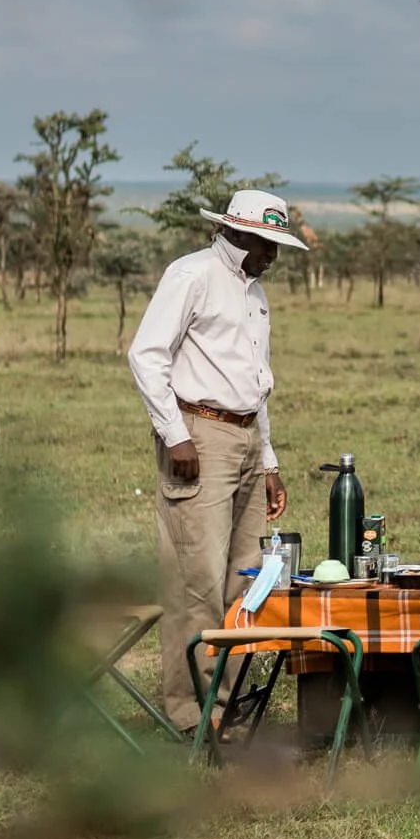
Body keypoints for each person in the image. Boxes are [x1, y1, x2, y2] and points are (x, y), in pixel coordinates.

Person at [127, 188, 306, 731]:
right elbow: (146, 354)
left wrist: (268, 462)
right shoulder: (192, 275)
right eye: (268, 244)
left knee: (244, 580)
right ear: (240, 234)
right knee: (196, 580)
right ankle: (191, 715)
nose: (274, 256)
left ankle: (225, 707)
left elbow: (256, 383)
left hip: (247, 435)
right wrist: (175, 434)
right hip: (199, 435)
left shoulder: (255, 293)